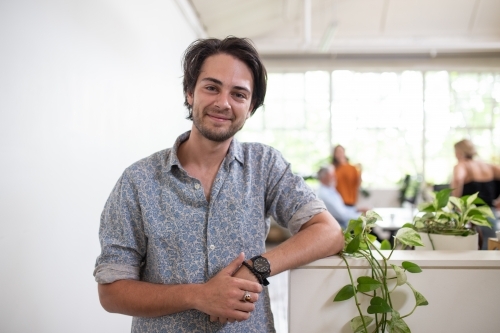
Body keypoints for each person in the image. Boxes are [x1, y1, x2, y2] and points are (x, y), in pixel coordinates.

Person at [93, 36, 344, 333]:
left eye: (239, 94)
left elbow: (328, 232)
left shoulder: (264, 165)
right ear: (190, 93)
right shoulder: (137, 181)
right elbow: (111, 292)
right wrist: (198, 296)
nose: (223, 103)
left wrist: (255, 270)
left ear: (250, 107)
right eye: (211, 87)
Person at [451, 139, 498, 249]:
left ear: (459, 152)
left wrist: (456, 204)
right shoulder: (488, 166)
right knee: (491, 249)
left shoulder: (462, 165)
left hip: (471, 215)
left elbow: (458, 179)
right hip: (490, 213)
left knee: (472, 251)